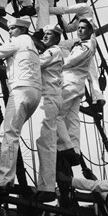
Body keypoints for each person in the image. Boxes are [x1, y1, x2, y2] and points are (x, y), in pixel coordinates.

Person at [0, 16, 41, 192]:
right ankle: (8, 173)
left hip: (21, 91)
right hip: (34, 94)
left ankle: (4, 181)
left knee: (9, 135)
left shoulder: (18, 41)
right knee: (3, 133)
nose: (10, 33)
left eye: (12, 29)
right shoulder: (32, 46)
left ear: (21, 30)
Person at [49, 0, 105, 108]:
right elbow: (68, 28)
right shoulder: (81, 15)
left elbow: (65, 9)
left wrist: (45, 10)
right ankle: (98, 98)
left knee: (60, 46)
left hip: (87, 41)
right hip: (86, 42)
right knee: (91, 71)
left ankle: (65, 66)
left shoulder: (85, 7)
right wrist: (60, 17)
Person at [57, 18, 96, 165]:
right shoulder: (84, 45)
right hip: (78, 87)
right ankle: (76, 150)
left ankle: (67, 148)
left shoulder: (84, 47)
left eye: (83, 28)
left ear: (90, 31)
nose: (79, 30)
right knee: (73, 119)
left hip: (70, 84)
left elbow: (69, 62)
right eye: (78, 28)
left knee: (56, 115)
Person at [34, 23, 64, 203]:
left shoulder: (54, 51)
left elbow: (36, 63)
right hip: (46, 97)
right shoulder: (48, 51)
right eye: (44, 34)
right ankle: (45, 186)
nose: (45, 37)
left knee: (46, 141)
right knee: (44, 139)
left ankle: (47, 188)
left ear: (56, 38)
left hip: (50, 98)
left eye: (49, 34)